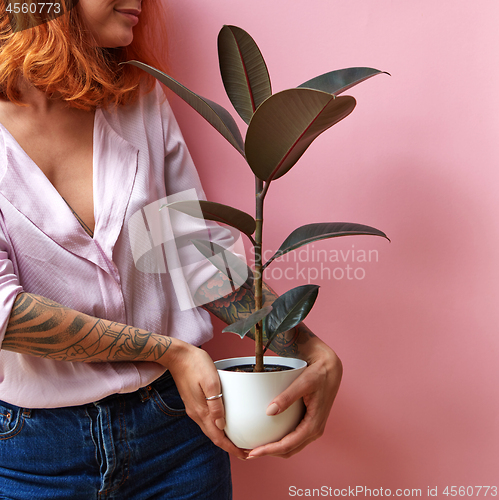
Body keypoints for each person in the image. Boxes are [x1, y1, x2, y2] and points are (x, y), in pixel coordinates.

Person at [0, 1, 343, 498]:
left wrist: (304, 345)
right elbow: (5, 314)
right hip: (33, 455)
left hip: (175, 436)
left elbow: (189, 249)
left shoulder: (135, 96)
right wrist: (170, 352)